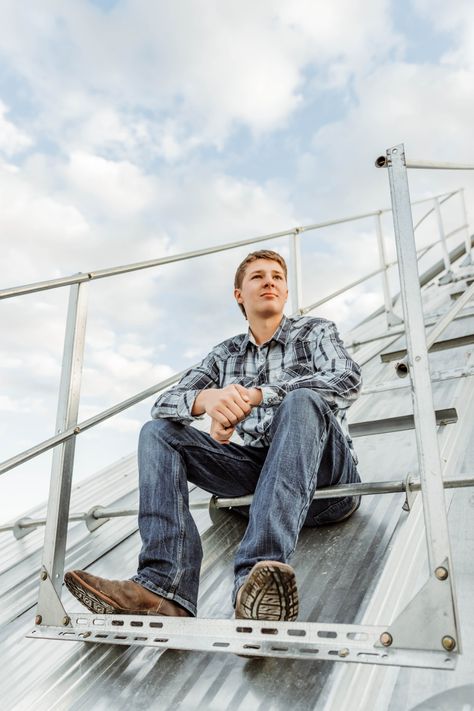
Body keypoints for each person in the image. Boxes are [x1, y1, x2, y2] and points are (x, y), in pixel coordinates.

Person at [65, 249, 362, 622]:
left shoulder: (317, 331)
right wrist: (209, 401)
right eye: (257, 276)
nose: (269, 281)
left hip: (327, 480)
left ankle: (257, 578)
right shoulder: (225, 355)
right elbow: (164, 404)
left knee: (302, 401)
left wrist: (256, 397)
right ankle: (164, 588)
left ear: (285, 293)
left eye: (277, 277)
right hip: (262, 475)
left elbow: (347, 379)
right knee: (158, 433)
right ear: (239, 294)